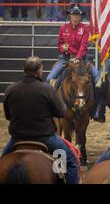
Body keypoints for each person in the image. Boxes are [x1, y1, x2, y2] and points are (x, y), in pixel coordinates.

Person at [2, 56, 80, 184]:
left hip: (17, 138)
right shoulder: (48, 89)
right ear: (39, 71)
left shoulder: (11, 90)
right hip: (46, 139)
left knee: (3, 160)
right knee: (71, 161)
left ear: (24, 70)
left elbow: (8, 116)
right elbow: (61, 112)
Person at [46, 4, 100, 88]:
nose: (75, 17)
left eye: (77, 15)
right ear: (69, 15)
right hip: (66, 58)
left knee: (97, 78)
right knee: (49, 78)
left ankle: (97, 101)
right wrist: (62, 48)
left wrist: (78, 58)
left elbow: (83, 45)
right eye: (73, 14)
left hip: (82, 59)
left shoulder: (85, 29)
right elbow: (59, 45)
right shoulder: (63, 28)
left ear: (80, 16)